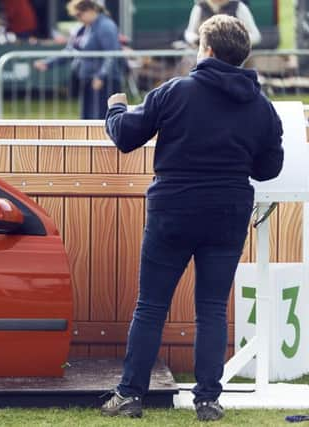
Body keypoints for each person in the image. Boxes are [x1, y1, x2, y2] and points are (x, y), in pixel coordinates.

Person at [101, 15, 283, 421]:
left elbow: (126, 136)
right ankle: (208, 400)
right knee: (213, 310)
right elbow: (268, 169)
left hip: (173, 209)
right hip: (228, 212)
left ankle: (130, 396)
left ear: (209, 50)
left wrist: (114, 108)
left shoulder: (176, 91)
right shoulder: (261, 106)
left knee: (151, 306)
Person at [34, 0, 122, 119]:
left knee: (100, 120)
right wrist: (48, 63)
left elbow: (112, 54)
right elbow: (71, 51)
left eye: (79, 15)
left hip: (104, 83)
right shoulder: (83, 28)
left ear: (91, 10)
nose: (78, 18)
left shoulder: (106, 26)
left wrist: (101, 76)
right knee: (87, 119)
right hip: (88, 79)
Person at [184, 0, 261, 46]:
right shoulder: (200, 7)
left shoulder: (239, 6)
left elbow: (256, 36)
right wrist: (198, 39)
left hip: (233, 58)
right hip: (205, 56)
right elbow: (189, 33)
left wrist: (235, 40)